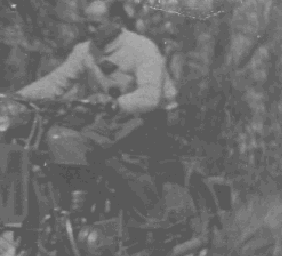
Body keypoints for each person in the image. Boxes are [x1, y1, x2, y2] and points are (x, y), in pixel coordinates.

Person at [15, 0, 178, 228]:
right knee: (72, 141)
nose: (90, 31)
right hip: (115, 115)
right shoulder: (85, 51)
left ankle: (151, 220)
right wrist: (19, 97)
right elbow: (57, 82)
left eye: (96, 25)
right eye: (87, 25)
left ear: (117, 23)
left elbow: (150, 97)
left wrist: (116, 104)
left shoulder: (142, 48)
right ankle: (82, 211)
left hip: (155, 115)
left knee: (119, 161)